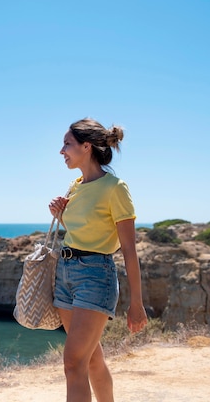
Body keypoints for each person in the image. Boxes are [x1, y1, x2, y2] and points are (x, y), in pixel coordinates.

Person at [48, 118, 148, 402]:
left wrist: (136, 303)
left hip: (95, 275)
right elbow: (82, 231)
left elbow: (129, 249)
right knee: (90, 360)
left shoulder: (115, 188)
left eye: (67, 144)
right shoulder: (75, 185)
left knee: (72, 362)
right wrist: (60, 213)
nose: (61, 150)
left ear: (86, 146)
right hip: (65, 273)